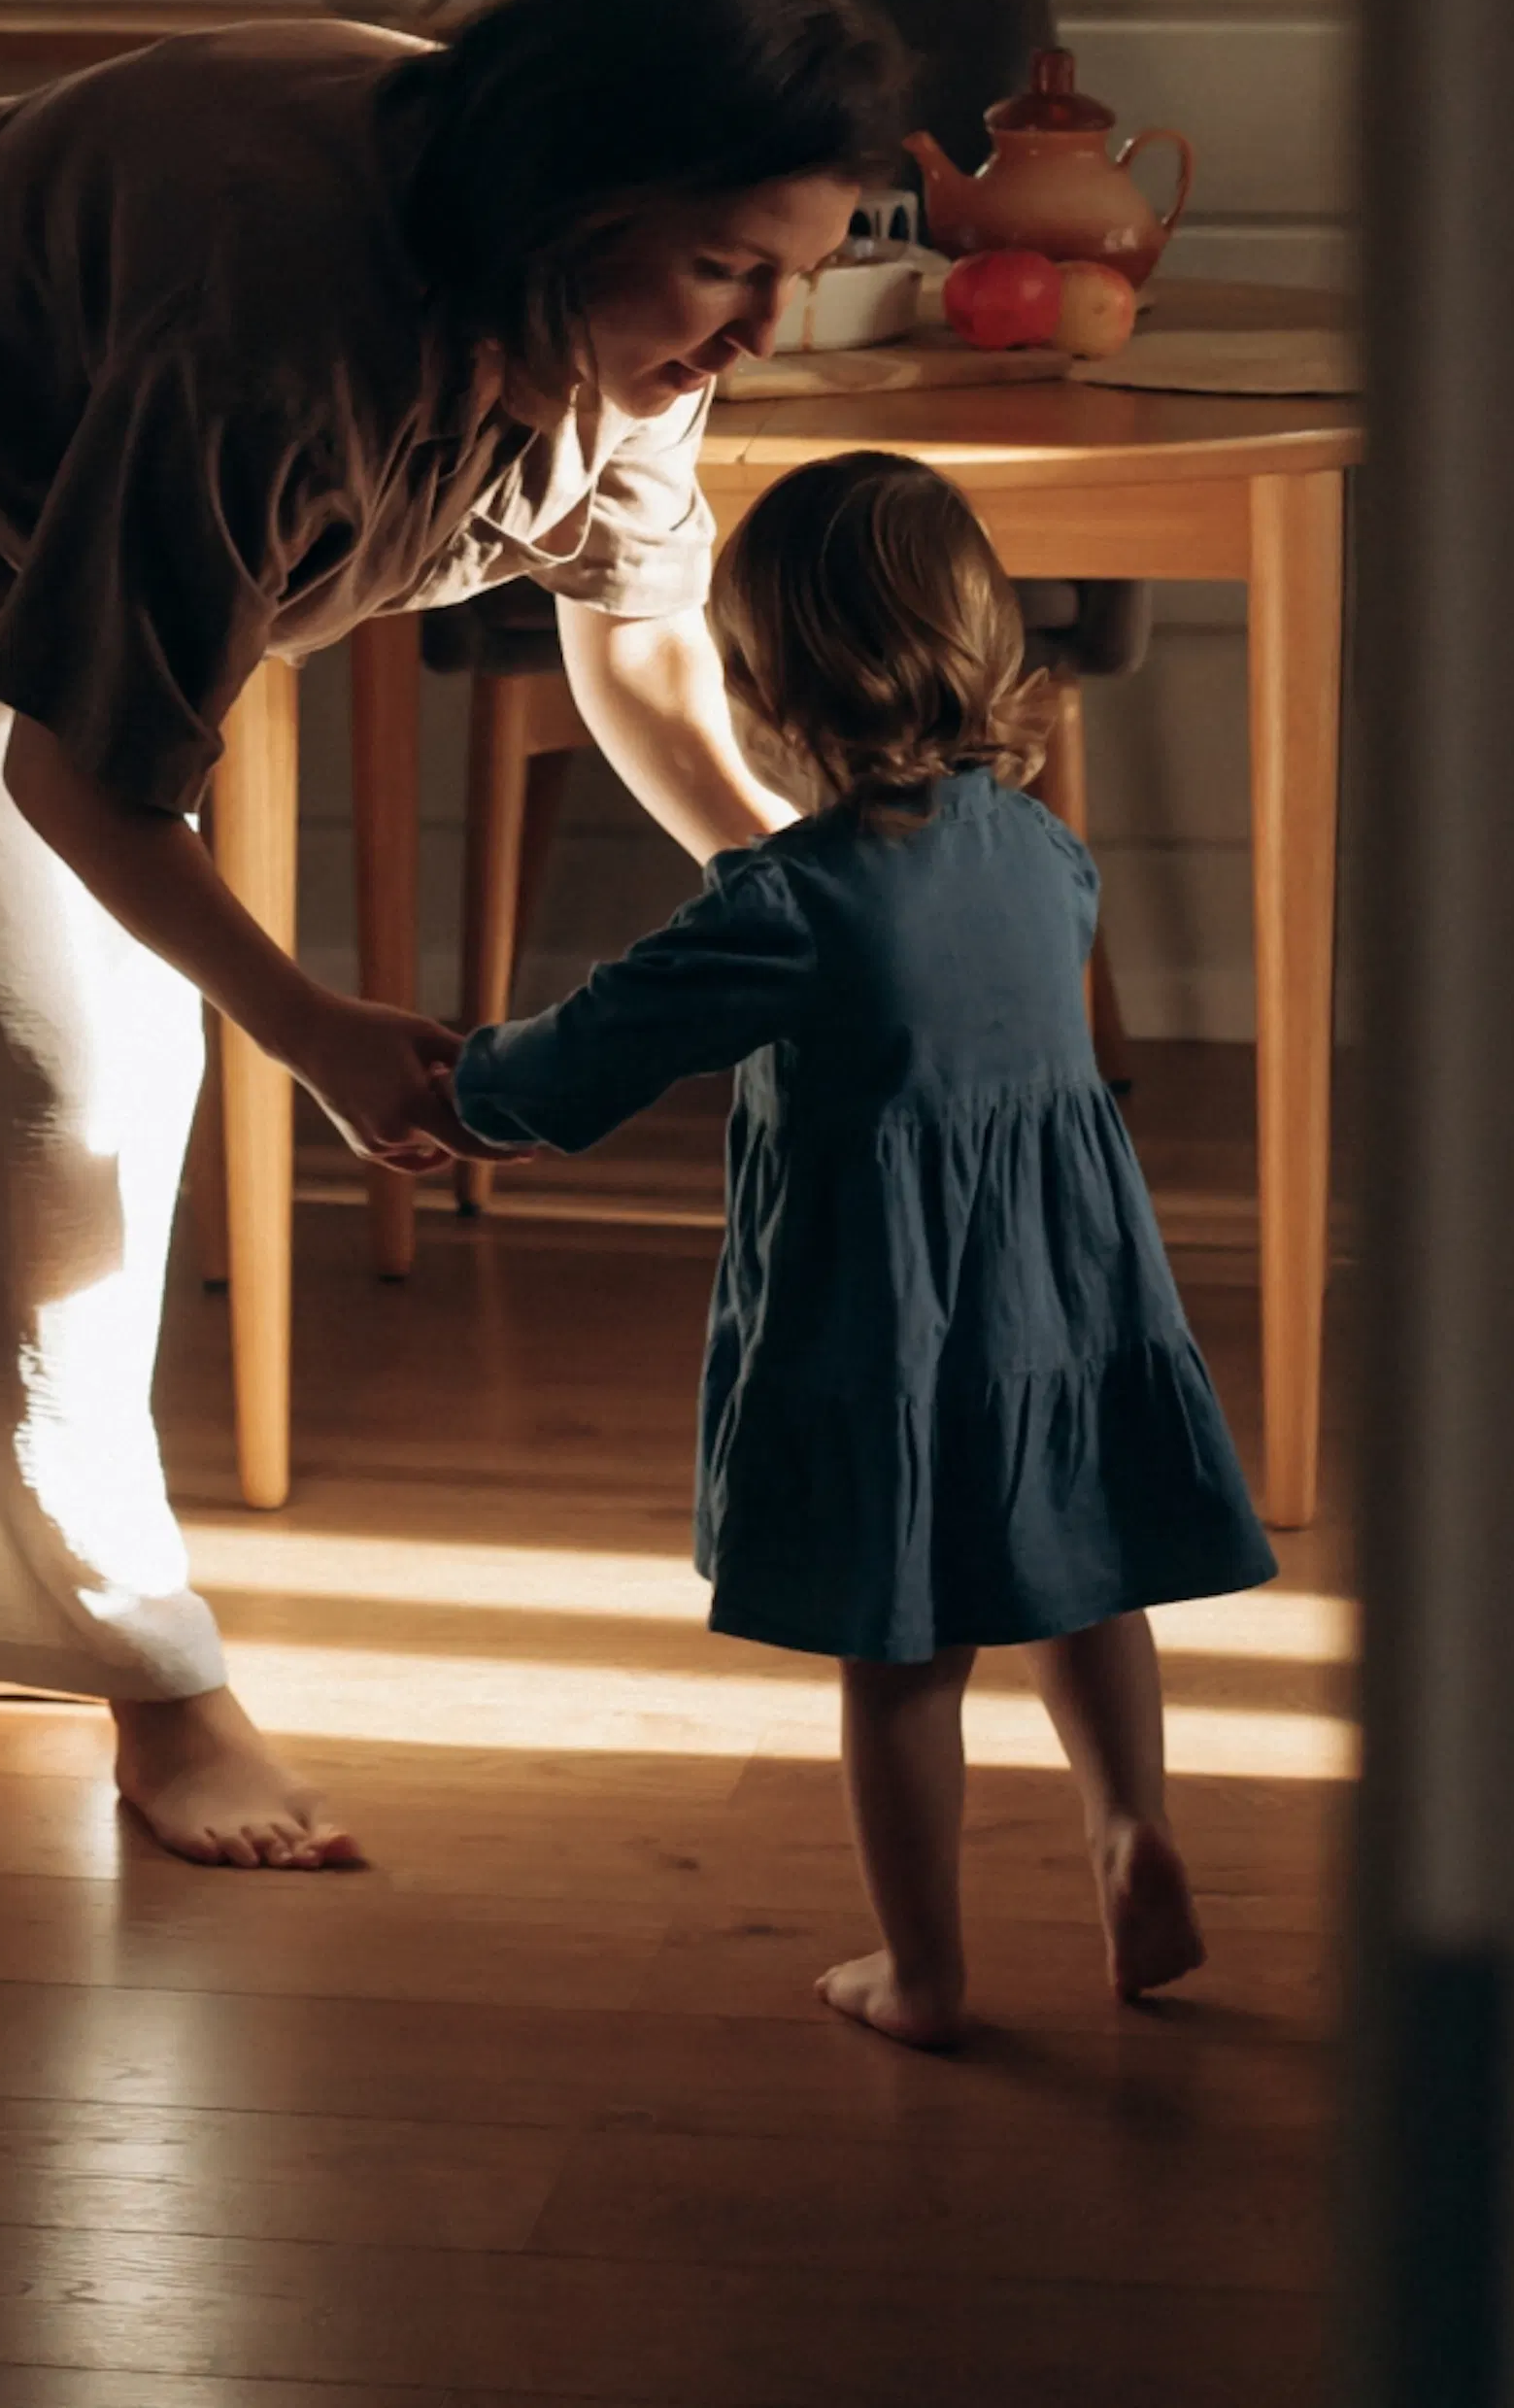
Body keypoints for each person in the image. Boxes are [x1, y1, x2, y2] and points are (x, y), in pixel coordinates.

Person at [0, 0, 899, 1871]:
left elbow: (641, 649)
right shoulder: (285, 340)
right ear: (580, 204)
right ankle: (160, 1697)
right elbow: (79, 769)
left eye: (795, 276)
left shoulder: (621, 312)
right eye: (731, 268)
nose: (757, 333)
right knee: (36, 1087)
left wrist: (800, 883)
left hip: (68, 421)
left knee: (99, 1072)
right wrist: (312, 1024)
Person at [450, 451, 1278, 2035]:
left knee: (905, 1650)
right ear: (988, 645)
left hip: (882, 1318)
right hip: (1072, 1293)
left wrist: (461, 1091)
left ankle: (929, 1970)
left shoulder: (787, 903)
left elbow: (596, 1048)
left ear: (758, 685)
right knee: (1091, 1574)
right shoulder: (1046, 852)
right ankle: (1131, 1828)